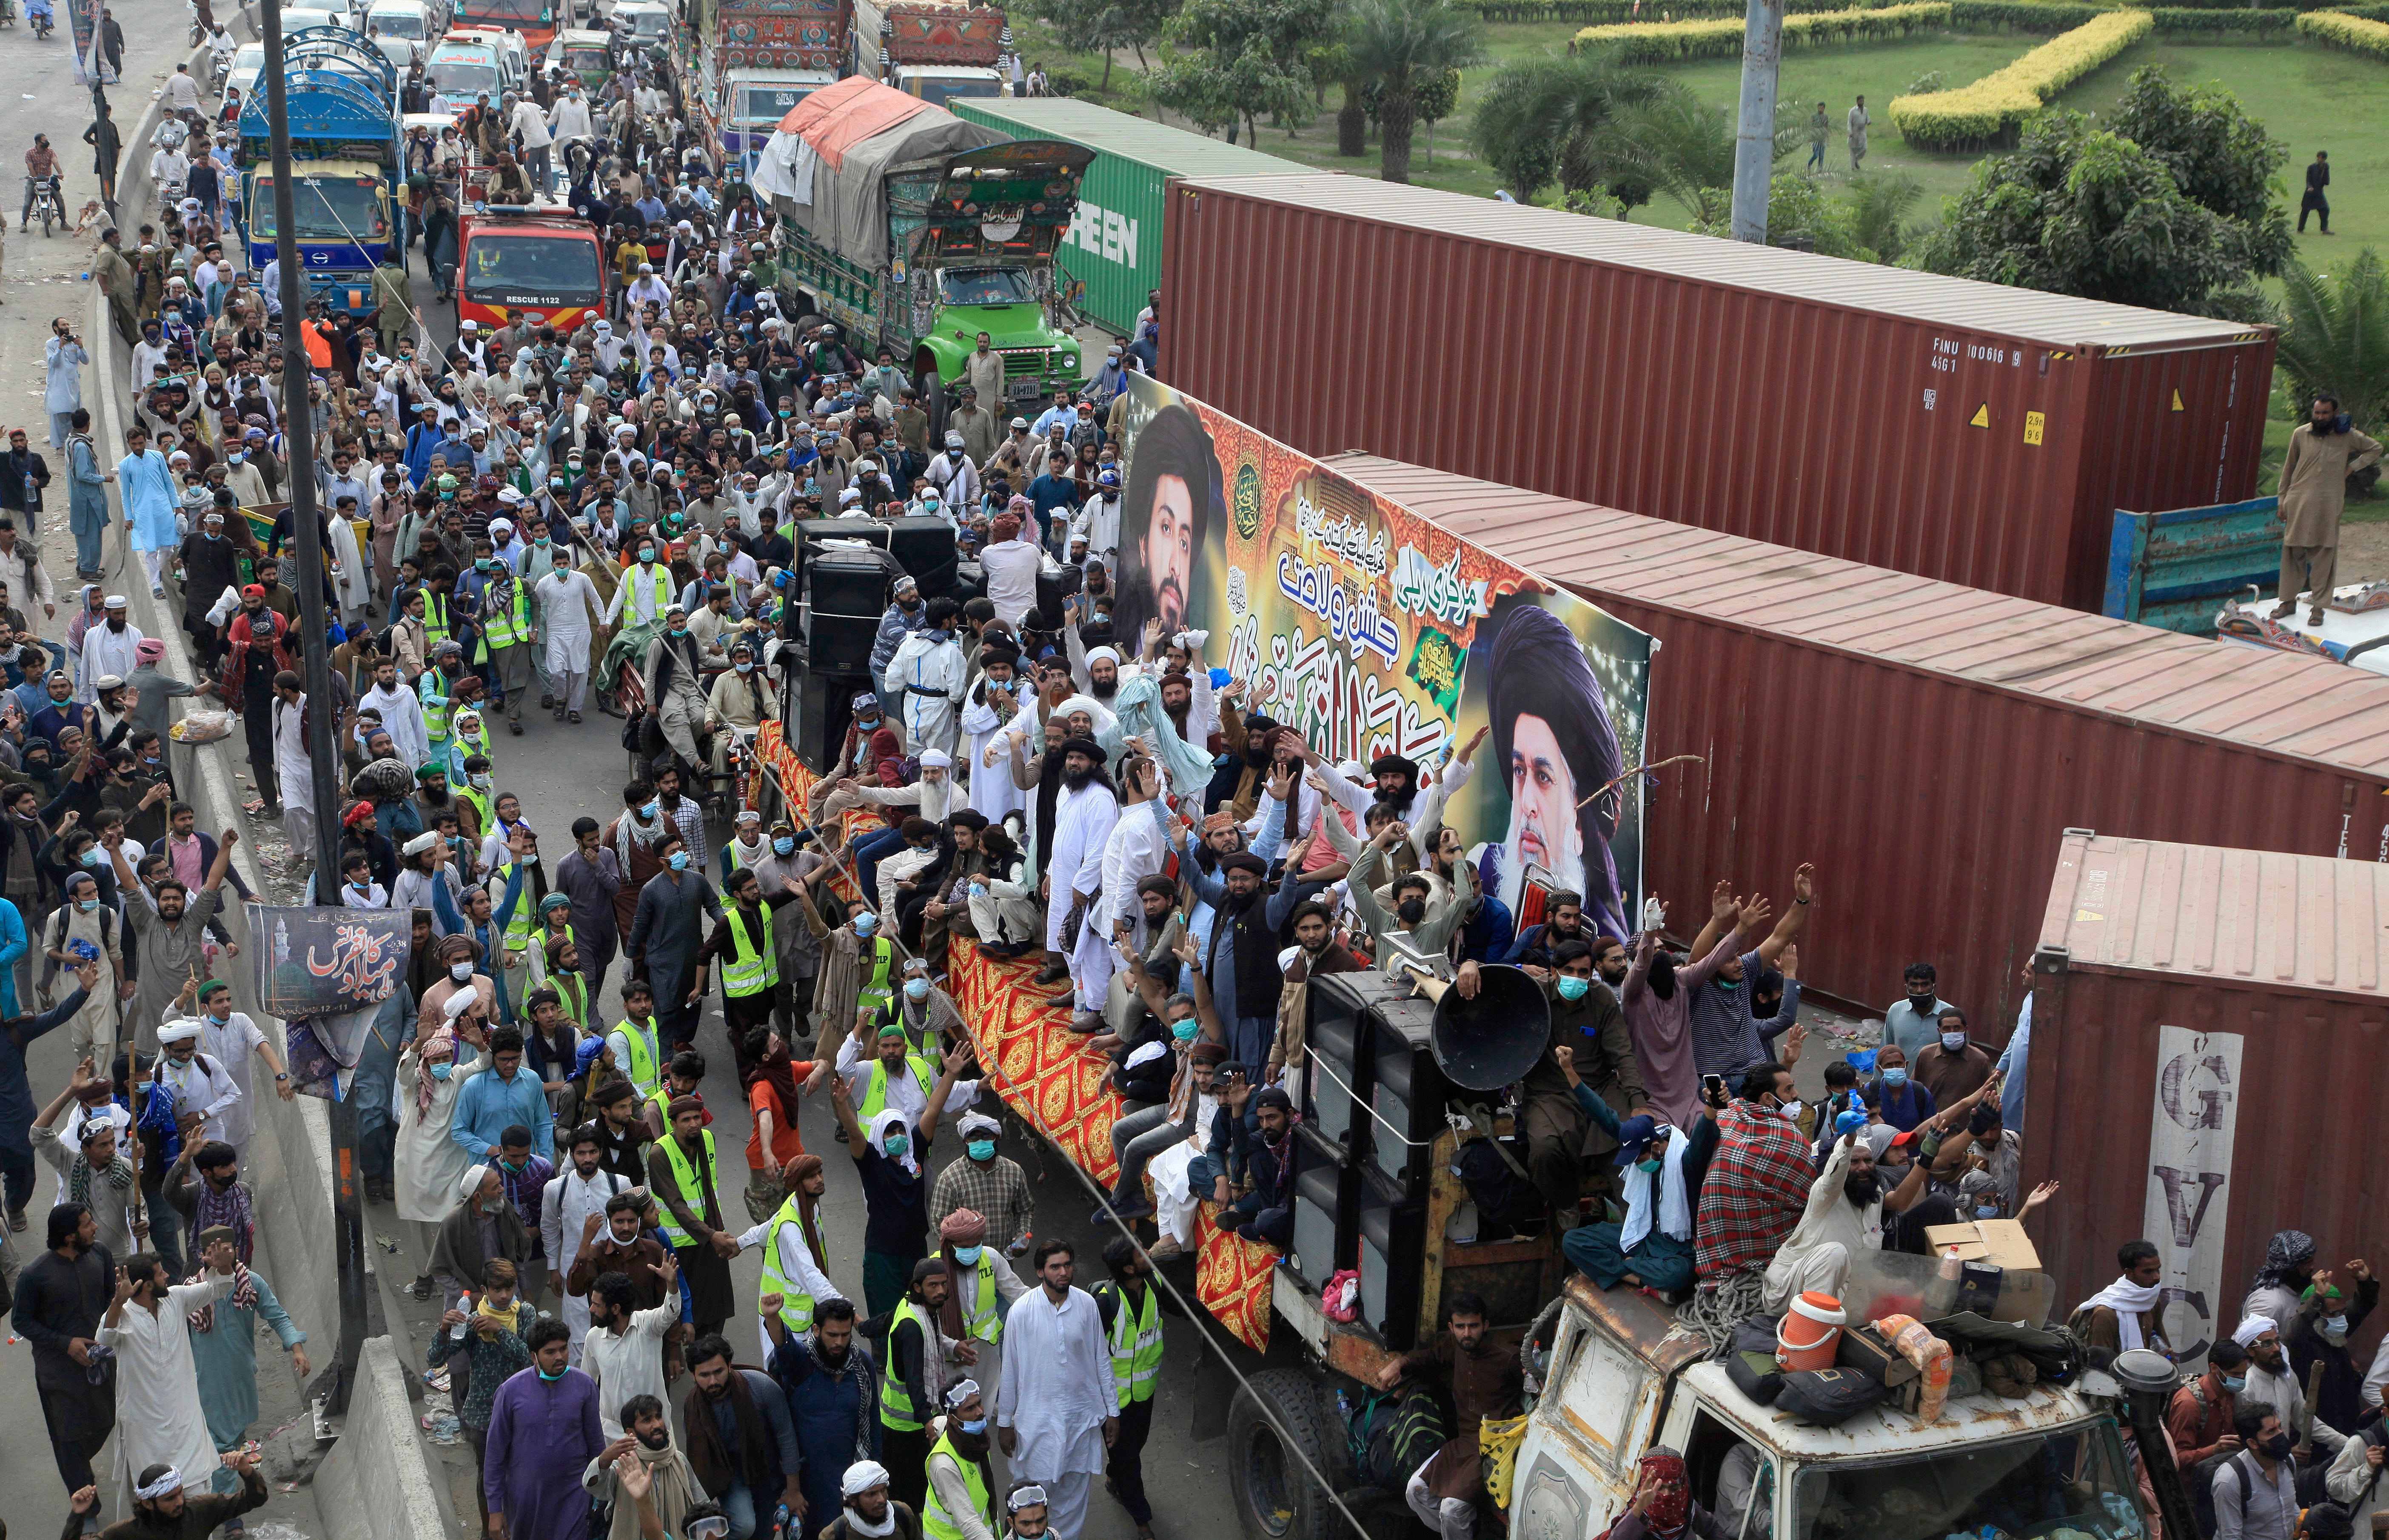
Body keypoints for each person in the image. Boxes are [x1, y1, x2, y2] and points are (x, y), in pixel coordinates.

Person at [1481, 600, 1623, 935]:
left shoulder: (1602, 940)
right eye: (1519, 771)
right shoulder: (1484, 870)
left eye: (1544, 777)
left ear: (1578, 825)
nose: (1527, 803)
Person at [100, 1247, 236, 1522]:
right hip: (146, 1432)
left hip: (185, 1424)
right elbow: (105, 1338)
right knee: (156, 1506)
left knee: (197, 1501)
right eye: (161, 1274)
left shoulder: (176, 1298)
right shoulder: (123, 1313)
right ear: (148, 1285)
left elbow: (219, 1289)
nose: (168, 1276)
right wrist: (117, 1302)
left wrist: (224, 1266)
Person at [994, 1239, 1116, 1540]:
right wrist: (1004, 1423)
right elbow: (1010, 1370)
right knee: (1032, 1500)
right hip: (1037, 1427)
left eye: (1067, 1265)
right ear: (1040, 1272)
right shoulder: (1021, 1312)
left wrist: (1113, 1412)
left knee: (1073, 1501)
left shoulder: (1086, 1305)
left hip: (1080, 1421)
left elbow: (1102, 1359)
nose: (1064, 1272)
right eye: (1055, 1267)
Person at [1378, 1290, 1521, 1540]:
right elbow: (1430, 1357)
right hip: (1463, 1443)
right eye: (1461, 1327)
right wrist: (1399, 1363)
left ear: (1485, 1325)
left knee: (1452, 1509)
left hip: (1494, 1449)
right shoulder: (1456, 1347)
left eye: (1474, 1326)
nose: (1467, 1333)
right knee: (1416, 1490)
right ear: (1451, 1327)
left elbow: (1536, 1390)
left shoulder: (1508, 1357)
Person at [184, 1221, 308, 1482]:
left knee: (233, 1439)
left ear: (237, 1251)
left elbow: (277, 1317)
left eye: (226, 1250)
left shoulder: (251, 1284)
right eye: (213, 1251)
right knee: (221, 1445)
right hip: (207, 1380)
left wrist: (297, 1349)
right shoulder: (192, 1291)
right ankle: (229, 1513)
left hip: (240, 1377)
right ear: (203, 1256)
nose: (220, 1256)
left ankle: (222, 1496)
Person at [14, 1203, 119, 1508]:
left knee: (106, 1421)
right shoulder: (34, 1275)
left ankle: (75, 1466)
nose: (95, 1228)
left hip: (99, 1360)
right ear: (70, 1236)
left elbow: (110, 1296)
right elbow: (21, 1322)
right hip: (57, 1370)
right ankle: (86, 1505)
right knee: (69, 1436)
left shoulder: (100, 1255)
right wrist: (65, 1343)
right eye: (88, 1225)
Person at [763, 1294, 881, 1532]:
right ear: (816, 1330)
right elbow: (784, 1348)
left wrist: (876, 1478)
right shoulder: (801, 1360)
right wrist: (772, 1316)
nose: (839, 1342)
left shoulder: (861, 1363)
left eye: (845, 1335)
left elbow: (873, 1422)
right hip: (805, 1482)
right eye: (832, 1335)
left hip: (850, 1477)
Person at [484, 1316, 607, 1540]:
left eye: (563, 1349)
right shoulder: (510, 1392)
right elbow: (494, 1455)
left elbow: (597, 1447)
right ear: (534, 1356)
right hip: (525, 1500)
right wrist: (494, 1510)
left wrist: (599, 1496)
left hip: (574, 1496)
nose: (560, 1357)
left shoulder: (585, 1386)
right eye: (550, 1352)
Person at [681, 1331, 805, 1538]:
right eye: (704, 1375)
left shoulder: (761, 1388)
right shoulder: (693, 1407)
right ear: (693, 1375)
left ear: (729, 1366)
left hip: (767, 1469)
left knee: (765, 1531)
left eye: (719, 1372)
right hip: (729, 1473)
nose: (713, 1381)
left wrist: (793, 1490)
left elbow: (787, 1438)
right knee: (744, 1526)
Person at [2274, 394, 2380, 627]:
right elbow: (2289, 468)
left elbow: (2376, 448)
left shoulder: (2346, 436)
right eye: (2317, 413)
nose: (2320, 417)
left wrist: (2351, 467)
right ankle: (2288, 602)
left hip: (2328, 504)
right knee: (2293, 551)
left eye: (2325, 413)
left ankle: (2319, 608)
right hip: (2298, 501)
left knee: (2324, 554)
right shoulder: (2301, 434)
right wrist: (2282, 501)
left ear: (2335, 414)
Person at [880, 1256, 972, 1516]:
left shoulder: (913, 1307)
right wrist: (927, 1421)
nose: (941, 1291)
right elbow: (914, 1380)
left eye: (944, 1284)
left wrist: (862, 1325)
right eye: (933, 1286)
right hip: (907, 1428)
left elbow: (889, 1322)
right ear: (918, 1287)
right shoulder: (911, 1327)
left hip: (910, 1423)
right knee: (907, 1501)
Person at [648, 1095, 739, 1338]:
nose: (694, 1124)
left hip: (711, 1238)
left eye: (697, 1118)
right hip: (682, 1246)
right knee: (690, 1311)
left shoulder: (707, 1139)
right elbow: (676, 1205)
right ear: (673, 1124)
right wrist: (711, 1235)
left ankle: (713, 1350)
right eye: (686, 1120)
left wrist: (714, 1234)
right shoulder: (659, 1154)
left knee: (718, 1308)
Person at [1091, 1236, 1162, 1540]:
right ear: (1130, 1269)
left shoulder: (1156, 1285)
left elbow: (1183, 1306)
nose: (1149, 1252)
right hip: (1113, 1403)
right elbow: (1088, 1354)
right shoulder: (1105, 1303)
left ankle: (1112, 1476)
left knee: (1134, 1446)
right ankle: (1142, 1519)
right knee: (1129, 1459)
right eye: (1141, 1252)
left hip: (1144, 1392)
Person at [584, 1394, 705, 1540]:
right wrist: (605, 1458)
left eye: (658, 1417)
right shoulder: (624, 1465)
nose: (657, 1425)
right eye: (647, 1420)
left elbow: (701, 1505)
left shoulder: (679, 1460)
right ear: (631, 1432)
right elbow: (591, 1484)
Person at [580, 1260, 679, 1439]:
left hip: (656, 1433)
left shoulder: (648, 1326)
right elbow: (587, 1385)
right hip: (613, 1436)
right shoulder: (593, 1338)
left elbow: (669, 1313)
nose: (591, 1309)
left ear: (616, 1309)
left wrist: (672, 1284)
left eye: (597, 1305)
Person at [77, 1448, 270, 1539]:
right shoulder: (127, 1533)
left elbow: (256, 1499)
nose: (180, 1502)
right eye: (169, 1499)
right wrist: (77, 1515)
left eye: (180, 1493)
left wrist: (246, 1470)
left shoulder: (200, 1509)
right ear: (147, 1503)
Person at [924, 1379, 1000, 1540]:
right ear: (953, 1419)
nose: (980, 1412)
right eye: (970, 1409)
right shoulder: (944, 1464)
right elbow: (969, 1524)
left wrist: (932, 1426)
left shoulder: (973, 1439)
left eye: (979, 1404)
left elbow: (938, 1422)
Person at [2212, 1403, 2299, 1540]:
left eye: (2280, 1427)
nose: (2280, 1434)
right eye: (2271, 1431)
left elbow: (2289, 1508)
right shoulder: (2230, 1479)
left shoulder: (2288, 1461)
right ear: (2253, 1443)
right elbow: (2230, 1536)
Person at [2168, 1335, 2249, 1476]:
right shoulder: (2189, 1404)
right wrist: (2214, 1450)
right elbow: (2178, 1458)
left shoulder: (2230, 1394)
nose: (2241, 1379)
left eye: (2244, 1374)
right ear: (2214, 1369)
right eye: (2235, 1374)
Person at [2079, 1239, 2172, 1361]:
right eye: (2148, 1272)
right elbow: (2099, 1366)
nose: (2157, 1277)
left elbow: (2166, 1349)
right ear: (2129, 1273)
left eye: (2158, 1269)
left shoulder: (2152, 1302)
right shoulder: (2106, 1315)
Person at [825, 1461, 923, 1540]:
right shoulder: (834, 1535)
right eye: (872, 1494)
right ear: (853, 1500)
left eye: (884, 1490)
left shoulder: (902, 1514)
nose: (882, 1500)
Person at [2301, 150, 2332, 235]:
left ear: (2324, 159)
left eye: (2321, 158)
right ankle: (2300, 229)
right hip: (2310, 193)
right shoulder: (2311, 167)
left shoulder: (2326, 167)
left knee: (2325, 209)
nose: (2319, 159)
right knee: (2305, 211)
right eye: (2318, 157)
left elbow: (2327, 181)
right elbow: (2308, 180)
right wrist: (2310, 187)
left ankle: (2325, 229)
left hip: (2319, 193)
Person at [1846, 95, 1867, 173]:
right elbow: (1849, 123)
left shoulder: (1866, 110)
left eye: (1863, 101)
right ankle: (1853, 168)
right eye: (1860, 101)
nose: (1862, 102)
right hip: (1854, 133)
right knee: (1853, 150)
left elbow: (1867, 119)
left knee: (1864, 148)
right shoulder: (1853, 111)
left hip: (1862, 133)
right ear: (1857, 101)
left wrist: (1868, 122)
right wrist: (1850, 132)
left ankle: (1857, 160)